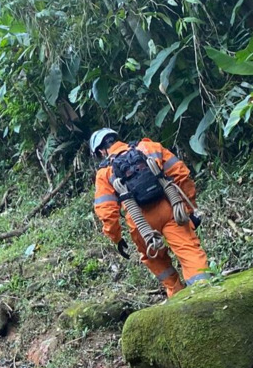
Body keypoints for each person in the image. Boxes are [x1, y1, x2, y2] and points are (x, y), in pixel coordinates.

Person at [90, 127, 211, 296]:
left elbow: (107, 213)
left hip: (140, 222)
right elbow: (181, 174)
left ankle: (177, 294)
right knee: (189, 250)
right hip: (170, 209)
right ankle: (206, 290)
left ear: (101, 151)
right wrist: (189, 209)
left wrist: (116, 238)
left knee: (156, 260)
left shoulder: (104, 173)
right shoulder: (149, 148)